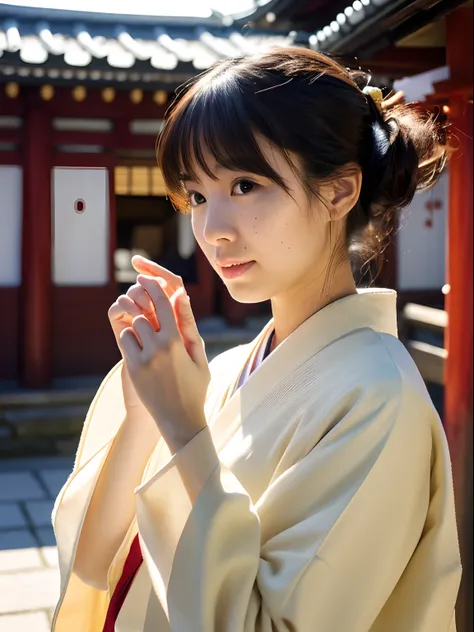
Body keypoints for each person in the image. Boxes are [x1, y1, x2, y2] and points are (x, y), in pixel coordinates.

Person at [51, 48, 461, 632]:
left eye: (244, 184)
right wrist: (149, 408)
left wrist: (186, 428)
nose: (212, 229)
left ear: (340, 192)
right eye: (196, 195)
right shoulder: (224, 372)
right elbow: (98, 566)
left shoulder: (378, 401)